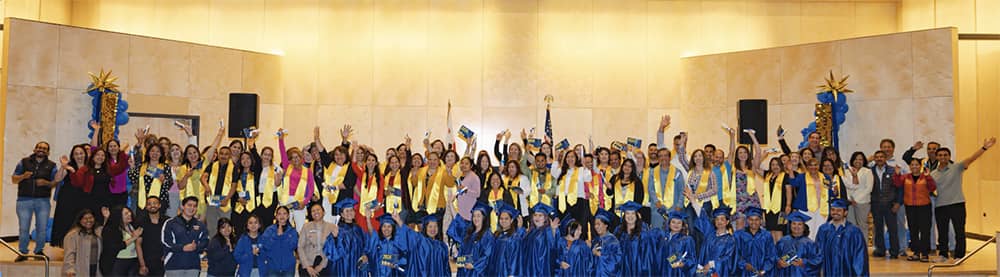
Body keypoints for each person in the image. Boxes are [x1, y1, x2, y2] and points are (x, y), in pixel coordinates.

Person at [930, 138, 996, 262]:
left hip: (957, 204)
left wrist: (984, 148)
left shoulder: (957, 167)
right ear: (937, 157)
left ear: (949, 156)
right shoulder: (933, 174)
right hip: (941, 206)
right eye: (940, 155)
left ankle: (959, 256)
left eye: (945, 155)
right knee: (942, 232)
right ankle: (943, 255)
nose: (943, 157)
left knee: (959, 231)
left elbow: (972, 158)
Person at [13, 141, 59, 261]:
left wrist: (46, 183)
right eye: (39, 147)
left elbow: (55, 182)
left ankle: (39, 251)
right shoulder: (24, 162)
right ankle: (23, 252)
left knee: (42, 227)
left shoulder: (52, 165)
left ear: (48, 152)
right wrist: (23, 176)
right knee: (23, 228)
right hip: (24, 200)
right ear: (34, 149)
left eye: (44, 148)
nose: (41, 149)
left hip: (43, 201)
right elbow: (14, 178)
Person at [894, 158, 936, 262]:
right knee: (913, 231)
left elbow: (932, 188)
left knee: (925, 230)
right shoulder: (905, 177)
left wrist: (928, 177)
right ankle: (916, 253)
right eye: (912, 164)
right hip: (910, 207)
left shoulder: (925, 176)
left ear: (920, 166)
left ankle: (925, 254)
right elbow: (897, 184)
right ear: (909, 166)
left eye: (916, 164)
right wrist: (897, 174)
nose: (914, 166)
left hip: (924, 207)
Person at [817, 199, 869, 276]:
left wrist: (859, 274)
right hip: (829, 271)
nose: (835, 212)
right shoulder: (824, 229)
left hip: (847, 272)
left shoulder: (854, 231)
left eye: (839, 210)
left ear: (845, 213)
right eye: (833, 210)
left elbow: (860, 256)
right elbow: (818, 251)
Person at [277, 130, 317, 230]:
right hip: (286, 200)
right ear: (289, 160)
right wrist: (281, 140)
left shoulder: (307, 171)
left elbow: (311, 189)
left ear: (301, 157)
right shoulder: (287, 167)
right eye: (292, 158)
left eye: (297, 157)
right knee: (285, 226)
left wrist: (304, 202)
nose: (295, 159)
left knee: (300, 228)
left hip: (300, 201)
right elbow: (282, 152)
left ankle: (300, 246)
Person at [51, 144, 89, 248]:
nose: (79, 156)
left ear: (85, 155)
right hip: (67, 199)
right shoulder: (69, 166)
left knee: (81, 223)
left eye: (81, 153)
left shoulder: (89, 167)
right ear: (72, 156)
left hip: (84, 198)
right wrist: (63, 167)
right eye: (76, 154)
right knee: (66, 222)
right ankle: (67, 247)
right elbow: (57, 179)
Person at [162, 196, 209, 276]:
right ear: (183, 206)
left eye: (194, 206)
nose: (192, 208)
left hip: (193, 266)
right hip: (174, 265)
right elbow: (165, 242)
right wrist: (182, 247)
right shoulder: (170, 223)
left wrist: (196, 247)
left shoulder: (200, 225)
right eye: (189, 205)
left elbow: (205, 242)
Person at [553, 151, 594, 239]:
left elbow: (588, 178)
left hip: (578, 201)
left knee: (579, 226)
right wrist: (556, 159)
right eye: (568, 157)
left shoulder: (581, 170)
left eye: (572, 157)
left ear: (576, 159)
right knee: (564, 226)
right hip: (563, 202)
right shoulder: (562, 170)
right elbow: (553, 174)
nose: (570, 159)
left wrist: (585, 166)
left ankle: (579, 248)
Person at [447, 201, 494, 276]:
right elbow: (458, 220)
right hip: (463, 270)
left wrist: (474, 265)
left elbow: (488, 256)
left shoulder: (488, 236)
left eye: (479, 216)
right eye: (474, 216)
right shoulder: (468, 231)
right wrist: (450, 204)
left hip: (476, 272)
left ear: (484, 217)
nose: (475, 218)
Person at [869, 151, 902, 258]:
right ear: (874, 159)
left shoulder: (893, 171)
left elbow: (900, 188)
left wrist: (898, 203)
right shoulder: (870, 171)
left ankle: (894, 251)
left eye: (881, 156)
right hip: (876, 204)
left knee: (893, 229)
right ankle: (880, 250)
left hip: (890, 205)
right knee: (878, 229)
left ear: (885, 158)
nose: (879, 159)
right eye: (877, 157)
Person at [324, 198, 368, 276]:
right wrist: (334, 238)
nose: (349, 213)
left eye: (351, 210)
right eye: (347, 211)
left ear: (354, 213)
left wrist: (365, 255)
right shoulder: (338, 229)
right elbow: (329, 250)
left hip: (357, 264)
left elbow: (366, 244)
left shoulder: (358, 229)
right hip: (344, 265)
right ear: (342, 215)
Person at [200, 145, 236, 235]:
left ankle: (225, 247)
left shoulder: (234, 168)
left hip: (225, 201)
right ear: (218, 155)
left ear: (230, 156)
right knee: (211, 227)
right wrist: (206, 186)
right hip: (212, 200)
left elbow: (234, 186)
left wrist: (227, 199)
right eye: (221, 154)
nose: (223, 156)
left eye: (226, 154)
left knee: (225, 228)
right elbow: (203, 178)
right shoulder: (212, 165)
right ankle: (213, 247)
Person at [774, 211, 823, 276]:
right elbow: (774, 255)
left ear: (804, 226)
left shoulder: (810, 244)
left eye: (799, 224)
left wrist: (804, 262)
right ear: (790, 225)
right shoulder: (783, 241)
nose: (796, 226)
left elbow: (818, 260)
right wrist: (779, 262)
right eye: (794, 223)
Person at [100, 206, 143, 276]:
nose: (129, 214)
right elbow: (114, 247)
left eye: (129, 212)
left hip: (133, 260)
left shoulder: (133, 226)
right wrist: (133, 238)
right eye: (126, 213)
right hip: (118, 261)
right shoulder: (111, 229)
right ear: (119, 216)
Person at [734, 207, 776, 276]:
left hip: (762, 273)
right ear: (747, 220)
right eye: (751, 219)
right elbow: (735, 254)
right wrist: (743, 264)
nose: (754, 222)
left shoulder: (767, 235)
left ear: (761, 221)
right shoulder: (738, 235)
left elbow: (771, 255)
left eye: (757, 219)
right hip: (744, 272)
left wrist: (763, 270)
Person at [696, 205, 736, 277]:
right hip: (703, 271)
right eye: (717, 219)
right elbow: (703, 218)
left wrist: (711, 264)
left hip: (718, 272)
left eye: (722, 219)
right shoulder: (710, 234)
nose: (719, 221)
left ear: (727, 222)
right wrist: (693, 200)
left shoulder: (730, 240)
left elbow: (729, 258)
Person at [521, 203, 560, 276]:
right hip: (529, 268)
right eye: (535, 215)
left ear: (545, 218)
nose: (537, 218)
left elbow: (553, 247)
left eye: (540, 215)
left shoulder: (547, 230)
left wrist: (553, 231)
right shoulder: (530, 232)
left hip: (542, 267)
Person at [298, 202, 336, 276]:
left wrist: (322, 265)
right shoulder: (306, 227)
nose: (316, 212)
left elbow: (332, 249)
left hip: (325, 263)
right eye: (313, 211)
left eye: (318, 210)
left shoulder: (332, 227)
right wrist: (307, 266)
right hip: (308, 263)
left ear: (324, 212)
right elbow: (300, 247)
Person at [617, 201, 654, 276]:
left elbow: (647, 255)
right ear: (624, 215)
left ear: (637, 215)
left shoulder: (643, 232)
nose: (630, 216)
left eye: (633, 213)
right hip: (623, 268)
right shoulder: (618, 230)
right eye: (627, 213)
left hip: (638, 268)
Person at [260, 205, 299, 276]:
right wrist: (276, 236)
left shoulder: (292, 231)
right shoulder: (269, 230)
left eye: (284, 213)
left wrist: (283, 236)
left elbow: (292, 246)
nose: (282, 216)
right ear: (276, 216)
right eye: (279, 214)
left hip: (288, 268)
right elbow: (266, 246)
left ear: (288, 216)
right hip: (272, 267)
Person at [655, 210, 695, 276]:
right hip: (662, 271)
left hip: (677, 272)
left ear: (682, 225)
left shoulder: (687, 240)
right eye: (673, 222)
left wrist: (682, 263)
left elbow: (692, 259)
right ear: (669, 223)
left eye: (679, 223)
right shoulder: (662, 237)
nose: (676, 225)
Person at [487, 202, 524, 276]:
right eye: (501, 218)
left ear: (512, 220)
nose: (503, 221)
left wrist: (512, 274)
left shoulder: (514, 237)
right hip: (495, 271)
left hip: (507, 272)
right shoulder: (496, 235)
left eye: (506, 219)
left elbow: (515, 257)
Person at [63, 210, 102, 277]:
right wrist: (70, 269)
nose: (88, 220)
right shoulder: (72, 235)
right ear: (80, 220)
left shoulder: (98, 232)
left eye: (90, 217)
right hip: (79, 270)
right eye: (85, 218)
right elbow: (69, 254)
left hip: (96, 269)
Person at [136, 196, 168, 276]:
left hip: (163, 260)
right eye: (149, 204)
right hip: (147, 261)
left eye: (155, 203)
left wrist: (167, 254)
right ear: (146, 207)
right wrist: (142, 265)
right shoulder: (141, 222)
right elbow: (138, 244)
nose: (152, 206)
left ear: (159, 205)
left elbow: (171, 240)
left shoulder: (167, 221)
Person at [845, 152, 873, 245]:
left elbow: (869, 188)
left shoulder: (867, 171)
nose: (858, 161)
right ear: (852, 160)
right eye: (856, 159)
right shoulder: (847, 171)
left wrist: (856, 199)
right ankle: (853, 246)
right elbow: (846, 186)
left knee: (862, 225)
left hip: (862, 202)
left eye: (860, 159)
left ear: (864, 161)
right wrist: (850, 198)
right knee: (851, 225)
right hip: (849, 202)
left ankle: (863, 245)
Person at [232, 152, 259, 236]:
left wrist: (252, 147)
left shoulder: (257, 173)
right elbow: (232, 189)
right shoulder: (236, 174)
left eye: (248, 158)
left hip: (253, 207)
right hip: (239, 207)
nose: (245, 160)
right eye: (243, 158)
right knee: (239, 231)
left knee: (252, 232)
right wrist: (238, 198)